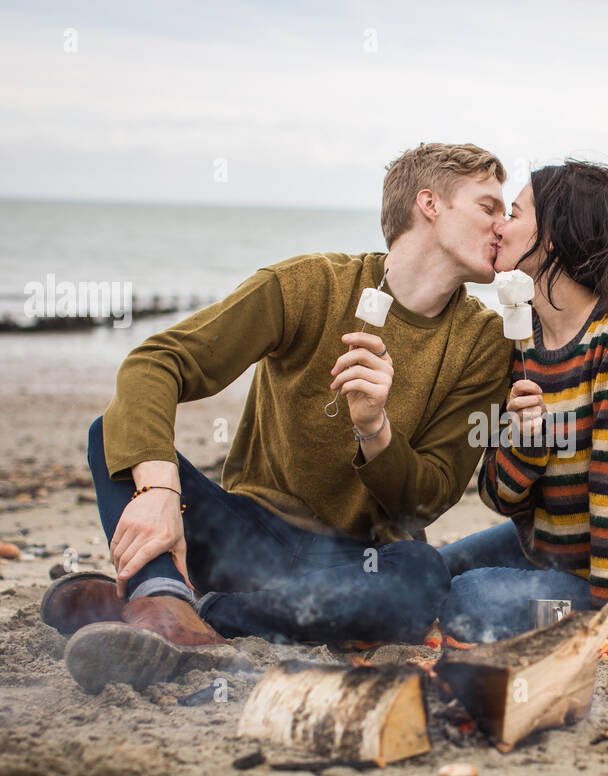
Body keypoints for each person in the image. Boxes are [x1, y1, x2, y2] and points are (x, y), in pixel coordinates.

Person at [41, 143, 514, 693]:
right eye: (489, 207)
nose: (504, 226)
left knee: (421, 576)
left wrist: (375, 429)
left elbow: (427, 500)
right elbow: (158, 363)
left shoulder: (483, 343)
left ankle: (188, 611)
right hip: (246, 534)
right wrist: (161, 491)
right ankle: (165, 601)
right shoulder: (308, 285)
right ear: (429, 204)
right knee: (112, 435)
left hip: (355, 565)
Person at [437, 160, 608, 649]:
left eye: (514, 214)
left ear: (555, 236)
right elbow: (498, 496)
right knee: (429, 574)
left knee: (469, 600)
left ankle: (601, 613)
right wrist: (526, 441)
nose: (499, 224)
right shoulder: (522, 341)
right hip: (552, 552)